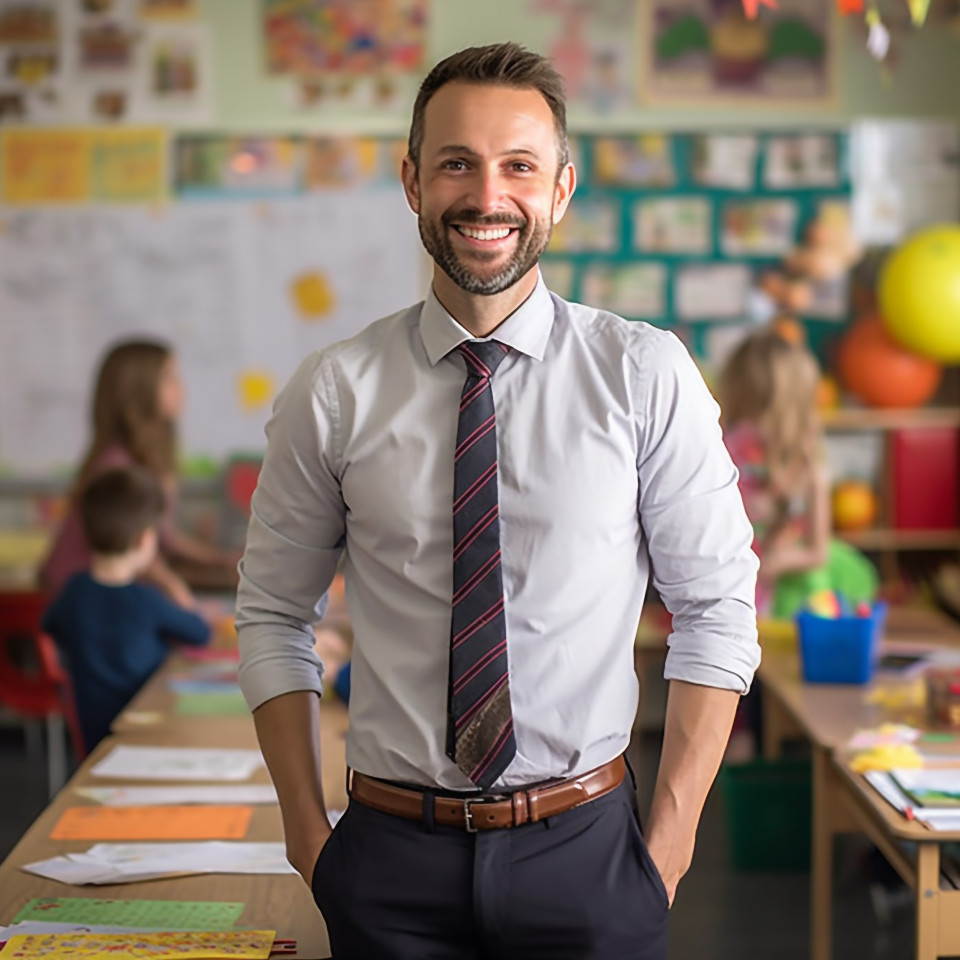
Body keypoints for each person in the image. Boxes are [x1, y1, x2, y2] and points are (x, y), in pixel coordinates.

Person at [237, 43, 760, 960]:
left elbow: (717, 607)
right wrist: (307, 838)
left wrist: (668, 848)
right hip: (388, 863)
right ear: (412, 181)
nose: (488, 195)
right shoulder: (335, 391)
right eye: (457, 163)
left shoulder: (644, 375)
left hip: (590, 857)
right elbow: (275, 612)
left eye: (519, 165)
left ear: (560, 189)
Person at [39, 339, 236, 609]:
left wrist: (222, 559)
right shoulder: (117, 466)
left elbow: (165, 537)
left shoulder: (146, 459)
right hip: (78, 598)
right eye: (169, 377)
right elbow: (135, 548)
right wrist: (180, 595)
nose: (181, 387)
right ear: (139, 389)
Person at [42, 467, 211, 753]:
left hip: (92, 736)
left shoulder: (73, 592)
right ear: (145, 539)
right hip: (148, 732)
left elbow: (49, 626)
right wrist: (172, 585)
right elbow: (200, 632)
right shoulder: (146, 600)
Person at [718, 328, 875, 619]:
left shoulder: (809, 468)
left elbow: (817, 552)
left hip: (780, 596)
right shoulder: (727, 451)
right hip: (731, 585)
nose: (755, 431)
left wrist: (777, 561)